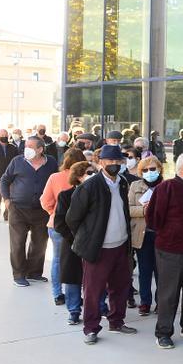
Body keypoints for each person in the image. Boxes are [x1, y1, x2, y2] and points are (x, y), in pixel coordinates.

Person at [64, 146, 138, 345]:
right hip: (98, 249)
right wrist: (88, 238)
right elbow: (72, 218)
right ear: (101, 162)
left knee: (120, 287)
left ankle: (116, 321)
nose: (114, 164)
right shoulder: (89, 186)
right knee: (93, 291)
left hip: (121, 246)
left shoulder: (122, 183)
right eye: (109, 161)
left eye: (117, 161)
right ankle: (91, 328)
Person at [147, 150, 183, 349]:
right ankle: (163, 332)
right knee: (169, 293)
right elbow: (154, 218)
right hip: (171, 250)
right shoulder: (167, 188)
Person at [0, 136, 58, 287]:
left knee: (40, 243)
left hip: (42, 210)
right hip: (18, 209)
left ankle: (34, 273)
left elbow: (55, 182)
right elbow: (4, 180)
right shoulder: (17, 161)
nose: (27, 149)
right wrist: (6, 200)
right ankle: (19, 275)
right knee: (18, 243)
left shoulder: (51, 162)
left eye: (31, 147)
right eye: (26, 145)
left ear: (40, 149)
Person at [41, 147, 88, 305]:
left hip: (57, 224)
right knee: (79, 261)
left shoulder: (55, 177)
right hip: (81, 226)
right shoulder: (87, 178)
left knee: (57, 259)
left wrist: (53, 213)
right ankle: (78, 294)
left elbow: (45, 201)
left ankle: (57, 293)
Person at [53, 161, 94, 325]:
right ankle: (74, 310)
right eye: (89, 173)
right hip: (72, 244)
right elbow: (59, 223)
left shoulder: (100, 194)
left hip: (94, 243)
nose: (93, 176)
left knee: (95, 278)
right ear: (78, 176)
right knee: (72, 278)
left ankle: (98, 307)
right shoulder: (65, 196)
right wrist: (77, 239)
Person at [128, 155, 164, 316]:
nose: (149, 172)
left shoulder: (167, 185)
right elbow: (128, 209)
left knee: (161, 272)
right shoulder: (135, 185)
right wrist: (144, 210)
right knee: (145, 271)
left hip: (162, 235)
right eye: (145, 170)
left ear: (159, 169)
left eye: (152, 169)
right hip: (142, 234)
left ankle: (160, 302)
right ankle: (145, 302)